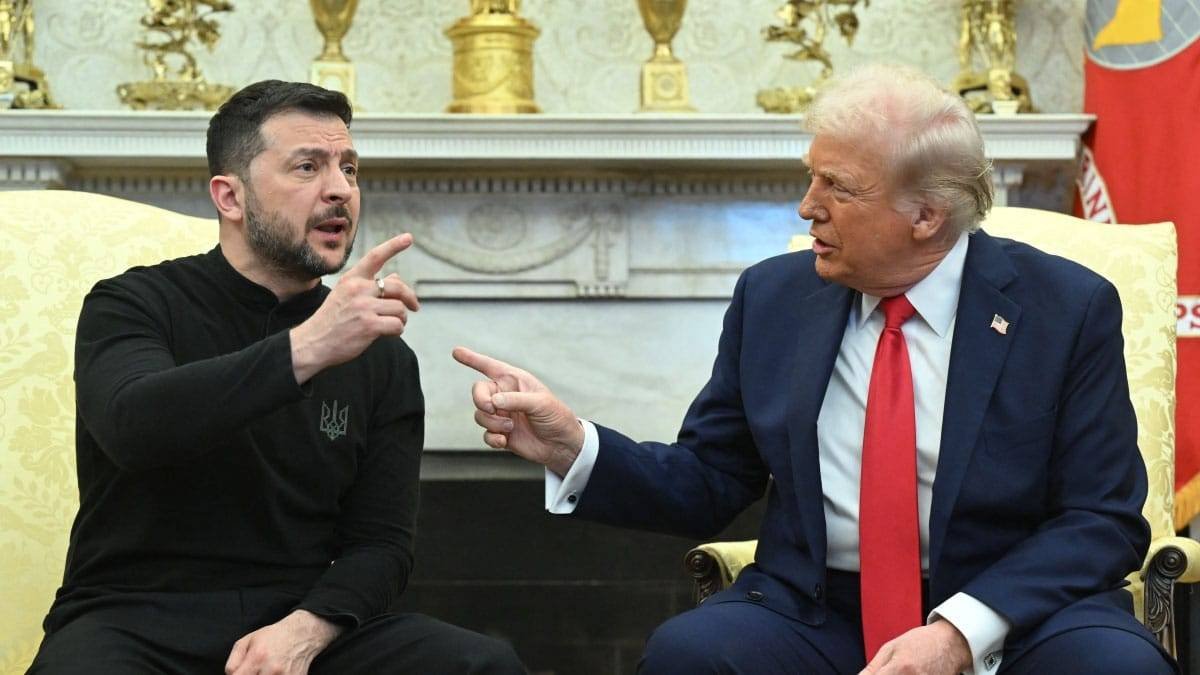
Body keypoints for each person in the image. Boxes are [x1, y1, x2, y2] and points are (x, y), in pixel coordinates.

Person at [454, 64, 1176, 674]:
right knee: (689, 655)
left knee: (1118, 667)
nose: (807, 208)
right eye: (811, 178)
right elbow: (711, 477)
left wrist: (959, 631)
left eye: (839, 187)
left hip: (1017, 610)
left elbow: (1103, 519)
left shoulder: (1064, 308)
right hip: (818, 609)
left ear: (925, 215)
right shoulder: (774, 298)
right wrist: (572, 446)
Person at [29, 80, 526, 675]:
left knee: (481, 663)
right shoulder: (133, 303)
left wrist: (308, 629)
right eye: (307, 167)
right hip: (134, 618)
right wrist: (311, 346)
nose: (340, 189)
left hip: (298, 620)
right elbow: (134, 426)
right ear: (230, 197)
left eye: (348, 168)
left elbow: (382, 545)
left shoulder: (381, 354)